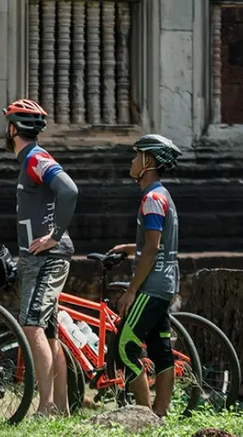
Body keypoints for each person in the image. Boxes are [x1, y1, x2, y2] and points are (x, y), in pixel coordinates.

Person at [3, 99, 78, 416]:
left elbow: (69, 190)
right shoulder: (29, 160)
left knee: (32, 326)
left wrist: (55, 236)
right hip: (40, 258)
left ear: (12, 129)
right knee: (48, 332)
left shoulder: (35, 158)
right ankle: (60, 407)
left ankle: (45, 406)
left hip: (48, 257)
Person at [108, 134, 182, 417]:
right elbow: (158, 243)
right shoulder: (164, 196)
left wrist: (131, 290)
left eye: (136, 155)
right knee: (161, 349)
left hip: (150, 287)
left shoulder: (151, 199)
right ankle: (161, 415)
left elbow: (152, 249)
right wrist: (131, 248)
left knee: (125, 348)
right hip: (166, 284)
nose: (131, 160)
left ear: (147, 161)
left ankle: (143, 416)